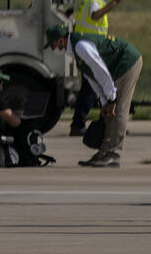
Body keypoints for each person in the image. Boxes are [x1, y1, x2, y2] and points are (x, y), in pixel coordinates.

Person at [45, 24, 143, 167]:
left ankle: (113, 153)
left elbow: (100, 70)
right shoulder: (75, 50)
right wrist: (105, 102)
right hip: (115, 68)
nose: (54, 48)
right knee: (109, 111)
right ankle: (104, 151)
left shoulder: (81, 47)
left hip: (127, 62)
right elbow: (92, 78)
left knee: (119, 109)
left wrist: (112, 98)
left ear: (61, 40)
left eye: (53, 44)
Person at [69, 0, 127, 135]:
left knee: (92, 89)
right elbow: (95, 15)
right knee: (92, 90)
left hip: (89, 50)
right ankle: (81, 124)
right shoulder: (94, 1)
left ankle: (84, 124)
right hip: (90, 50)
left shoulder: (89, 0)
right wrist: (114, 2)